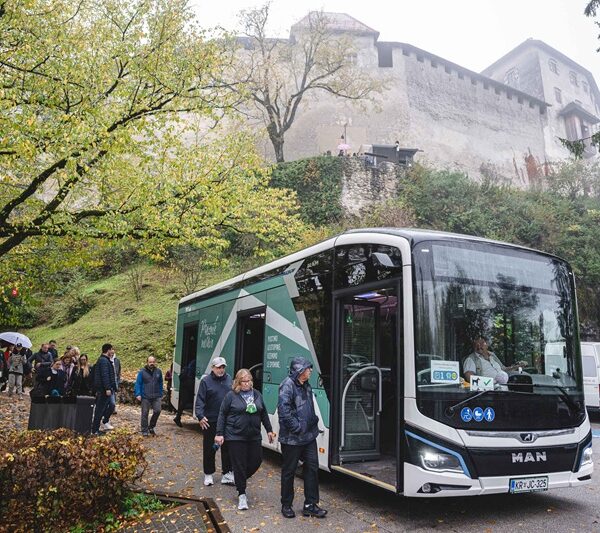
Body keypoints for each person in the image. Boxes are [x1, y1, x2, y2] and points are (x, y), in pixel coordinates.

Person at [215, 368, 275, 511]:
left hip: (253, 435)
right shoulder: (231, 396)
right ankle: (242, 494)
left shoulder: (257, 395)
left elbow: (263, 413)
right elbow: (222, 414)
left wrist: (269, 430)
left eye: (249, 381)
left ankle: (238, 478)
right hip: (235, 436)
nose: (247, 384)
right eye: (244, 381)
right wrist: (219, 433)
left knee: (256, 460)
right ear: (238, 382)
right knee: (239, 464)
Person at [278, 357, 327, 519]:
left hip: (308, 437)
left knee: (312, 469)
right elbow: (284, 412)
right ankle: (286, 505)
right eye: (307, 368)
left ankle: (310, 505)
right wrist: (297, 428)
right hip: (292, 439)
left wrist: (313, 421)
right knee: (289, 471)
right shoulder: (287, 385)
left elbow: (308, 407)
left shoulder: (306, 385)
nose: (310, 371)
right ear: (299, 370)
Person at [194, 356, 234, 487]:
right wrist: (200, 415)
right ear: (213, 368)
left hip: (227, 420)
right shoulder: (206, 381)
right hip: (210, 420)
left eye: (223, 367)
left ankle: (227, 473)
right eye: (218, 367)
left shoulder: (229, 379)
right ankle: (208, 474)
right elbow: (200, 400)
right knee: (210, 448)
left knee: (228, 448)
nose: (221, 370)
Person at [91, 343, 117, 435]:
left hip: (103, 389)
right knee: (99, 410)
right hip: (103, 390)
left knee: (102, 409)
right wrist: (107, 388)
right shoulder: (103, 361)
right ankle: (95, 430)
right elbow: (105, 375)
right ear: (108, 350)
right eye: (112, 349)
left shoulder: (103, 360)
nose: (112, 351)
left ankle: (96, 429)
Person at [134, 356, 164, 437]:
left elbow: (161, 382)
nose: (152, 364)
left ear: (155, 362)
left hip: (156, 396)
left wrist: (161, 393)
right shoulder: (142, 372)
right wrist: (138, 394)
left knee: (158, 411)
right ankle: (144, 430)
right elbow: (138, 383)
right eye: (150, 362)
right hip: (145, 396)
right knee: (144, 413)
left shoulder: (158, 371)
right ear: (147, 362)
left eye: (153, 362)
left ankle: (151, 427)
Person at [174, 358, 196, 427]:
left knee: (183, 402)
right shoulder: (194, 363)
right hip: (187, 386)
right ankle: (177, 417)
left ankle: (178, 417)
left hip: (184, 386)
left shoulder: (189, 365)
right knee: (183, 402)